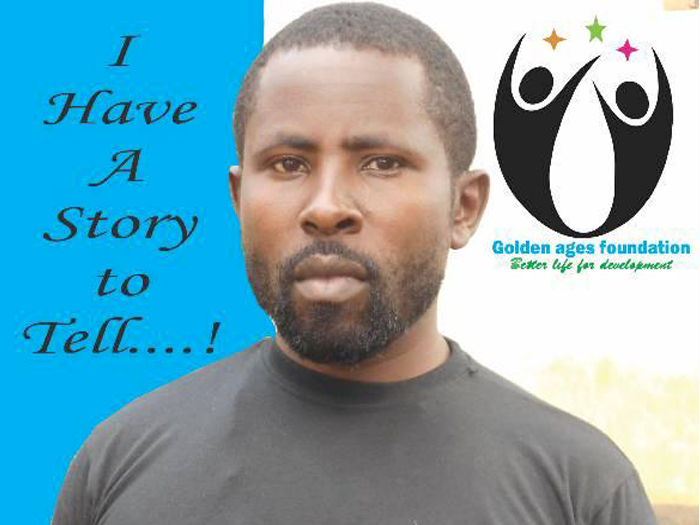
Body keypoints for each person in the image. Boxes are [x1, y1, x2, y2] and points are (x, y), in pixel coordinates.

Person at [52, 3, 658, 524]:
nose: (325, 208)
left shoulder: (578, 488)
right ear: (238, 200)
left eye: (381, 163)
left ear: (464, 207)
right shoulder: (120, 460)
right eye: (288, 164)